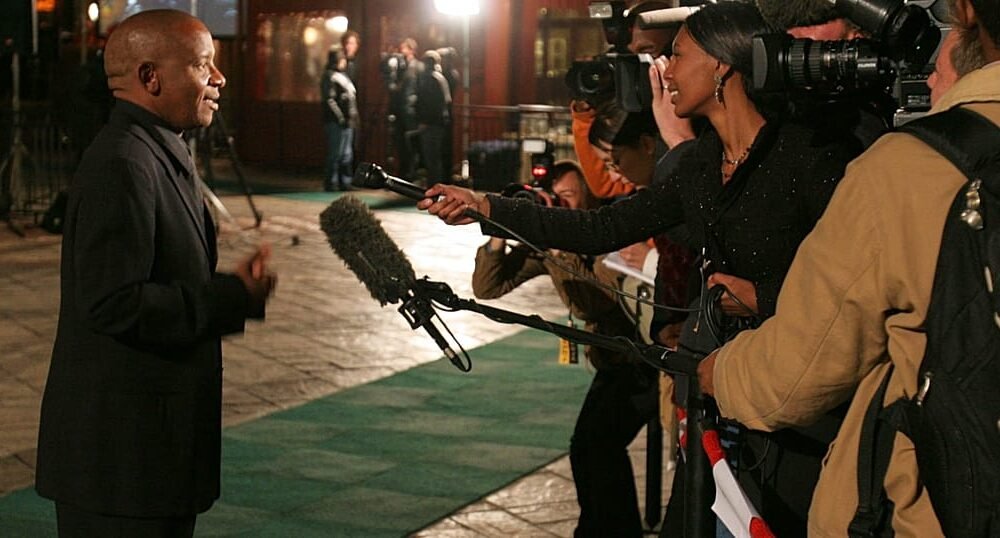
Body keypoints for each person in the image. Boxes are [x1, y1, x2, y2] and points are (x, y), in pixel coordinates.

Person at [419, 3, 859, 534]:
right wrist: (486, 206)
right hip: (719, 393)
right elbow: (600, 228)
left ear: (722, 65)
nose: (665, 73)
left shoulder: (811, 154)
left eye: (678, 56)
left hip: (799, 406)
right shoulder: (702, 163)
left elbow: (857, 283)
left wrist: (763, 295)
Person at [696, 0, 997, 535]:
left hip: (940, 510)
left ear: (969, 13)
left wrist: (720, 371)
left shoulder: (911, 169)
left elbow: (796, 368)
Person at [34, 10, 276, 538]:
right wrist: (231, 295)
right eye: (203, 65)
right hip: (120, 467)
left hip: (148, 459)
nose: (219, 79)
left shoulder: (156, 149)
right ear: (151, 77)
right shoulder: (124, 162)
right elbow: (113, 302)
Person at [471, 161, 657, 537]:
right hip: (614, 360)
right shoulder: (549, 246)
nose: (561, 205)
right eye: (555, 198)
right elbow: (487, 286)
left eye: (569, 196)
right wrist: (499, 232)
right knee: (590, 446)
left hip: (645, 358)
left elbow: (598, 302)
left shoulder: (612, 231)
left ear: (590, 194)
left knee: (596, 445)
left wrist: (558, 247)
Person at [321, 45, 359, 191]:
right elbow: (329, 100)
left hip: (348, 120)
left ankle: (345, 181)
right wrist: (340, 117)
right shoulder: (330, 76)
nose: (345, 62)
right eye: (342, 59)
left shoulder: (343, 76)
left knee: (346, 153)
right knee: (335, 153)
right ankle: (331, 181)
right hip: (336, 121)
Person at [415, 50, 452, 186]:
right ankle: (435, 184)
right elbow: (446, 101)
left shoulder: (429, 79)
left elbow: (429, 103)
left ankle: (433, 186)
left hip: (431, 123)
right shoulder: (440, 78)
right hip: (439, 122)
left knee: (431, 157)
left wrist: (424, 121)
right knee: (435, 157)